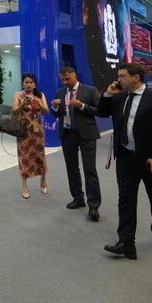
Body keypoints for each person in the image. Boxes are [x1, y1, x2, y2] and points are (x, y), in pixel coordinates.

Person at [97, 63, 152, 260]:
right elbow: (102, 112)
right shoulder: (119, 97)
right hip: (126, 158)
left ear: (136, 77)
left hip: (151, 160)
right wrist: (107, 94)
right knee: (126, 199)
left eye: (122, 76)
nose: (119, 79)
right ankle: (126, 242)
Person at [50, 67, 102, 221]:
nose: (65, 82)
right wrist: (54, 107)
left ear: (75, 76)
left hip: (87, 134)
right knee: (72, 168)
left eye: (68, 79)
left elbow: (99, 111)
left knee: (89, 169)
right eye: (62, 80)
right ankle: (78, 198)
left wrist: (82, 106)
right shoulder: (59, 93)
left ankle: (93, 206)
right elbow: (57, 114)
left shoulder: (90, 90)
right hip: (67, 133)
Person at [12, 73, 50, 199]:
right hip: (23, 131)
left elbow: (47, 111)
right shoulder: (18, 95)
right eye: (27, 82)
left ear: (35, 84)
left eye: (31, 82)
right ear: (23, 83)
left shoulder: (40, 95)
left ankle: (43, 179)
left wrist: (38, 103)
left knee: (40, 156)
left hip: (38, 131)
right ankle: (24, 184)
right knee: (24, 157)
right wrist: (22, 104)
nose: (29, 84)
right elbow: (14, 112)